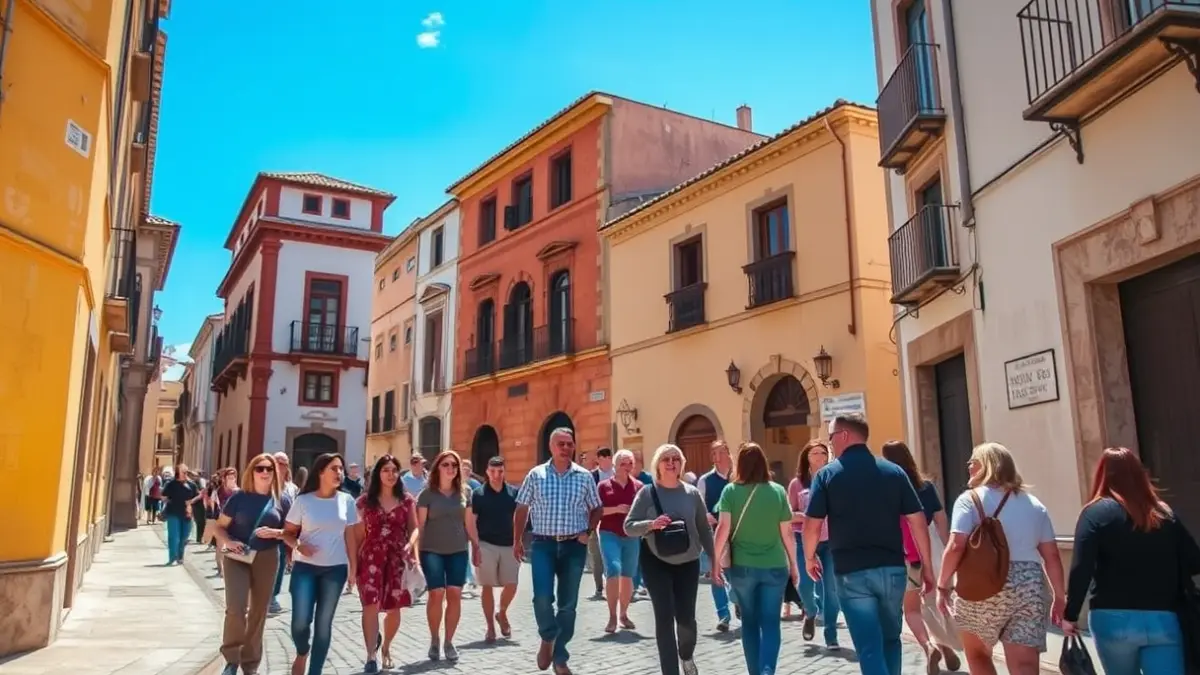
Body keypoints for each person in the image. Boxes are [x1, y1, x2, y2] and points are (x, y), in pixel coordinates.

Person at [804, 413, 933, 675]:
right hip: (892, 570)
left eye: (830, 439)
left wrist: (808, 557)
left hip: (852, 572)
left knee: (869, 646)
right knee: (890, 639)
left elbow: (812, 524)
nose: (830, 446)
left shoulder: (827, 475)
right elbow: (917, 519)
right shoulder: (893, 471)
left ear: (843, 435)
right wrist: (928, 566)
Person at [1064, 446, 1200, 674]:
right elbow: (1195, 560)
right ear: (1140, 475)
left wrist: (1071, 615)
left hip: (1112, 619)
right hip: (1163, 617)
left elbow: (1082, 568)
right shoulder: (1162, 513)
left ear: (1102, 476)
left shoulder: (1094, 513)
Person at [936, 442, 1064, 675]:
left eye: (972, 462)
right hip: (1028, 585)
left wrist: (942, 584)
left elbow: (956, 546)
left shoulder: (969, 500)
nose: (969, 467)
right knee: (1025, 664)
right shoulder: (1034, 505)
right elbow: (1052, 555)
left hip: (982, 583)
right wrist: (1059, 595)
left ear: (984, 466)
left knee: (979, 654)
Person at [513, 427, 602, 675]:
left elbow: (597, 508)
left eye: (569, 444)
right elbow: (521, 509)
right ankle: (548, 636)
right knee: (542, 597)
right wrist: (517, 540)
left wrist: (589, 531)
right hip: (543, 545)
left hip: (574, 546)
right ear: (551, 447)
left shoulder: (584, 477)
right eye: (561, 444)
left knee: (568, 605)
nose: (565, 448)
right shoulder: (536, 475)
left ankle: (560, 657)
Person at [625, 444, 714, 675]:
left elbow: (704, 530)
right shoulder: (646, 493)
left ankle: (686, 655)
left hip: (688, 562)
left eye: (676, 458)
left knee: (686, 620)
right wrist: (651, 525)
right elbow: (629, 526)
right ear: (658, 464)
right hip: (656, 561)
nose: (671, 462)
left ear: (681, 463)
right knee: (664, 619)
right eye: (666, 459)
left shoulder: (692, 493)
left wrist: (715, 561)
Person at [714, 442, 796, 675]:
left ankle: (754, 672)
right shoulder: (778, 491)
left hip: (742, 568)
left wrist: (714, 562)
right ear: (763, 463)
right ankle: (768, 669)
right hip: (774, 566)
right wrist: (795, 565)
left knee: (749, 622)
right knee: (770, 622)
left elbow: (723, 529)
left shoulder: (730, 491)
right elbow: (787, 533)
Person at [880, 440, 961, 672]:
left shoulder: (887, 486)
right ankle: (945, 647)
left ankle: (929, 647)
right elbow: (941, 518)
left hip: (903, 550)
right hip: (932, 546)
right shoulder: (925, 485)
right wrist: (947, 547)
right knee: (936, 602)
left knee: (913, 608)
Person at [212, 454, 291, 675]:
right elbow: (218, 528)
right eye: (260, 468)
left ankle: (251, 664)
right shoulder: (239, 498)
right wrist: (229, 541)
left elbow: (292, 532)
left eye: (269, 469)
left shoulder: (282, 500)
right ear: (251, 471)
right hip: (237, 555)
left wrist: (277, 533)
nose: (265, 472)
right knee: (236, 608)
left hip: (267, 557)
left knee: (259, 611)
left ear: (276, 473)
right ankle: (231, 658)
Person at [283, 453, 359, 675]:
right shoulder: (303, 501)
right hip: (304, 568)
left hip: (335, 570)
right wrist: (298, 545)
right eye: (334, 468)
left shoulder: (347, 501)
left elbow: (351, 537)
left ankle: (315, 671)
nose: (339, 473)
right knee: (300, 622)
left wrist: (353, 568)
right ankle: (302, 650)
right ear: (321, 472)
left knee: (323, 625)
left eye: (341, 469)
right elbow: (287, 533)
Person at [353, 455, 418, 673]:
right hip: (371, 558)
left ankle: (386, 647)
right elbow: (356, 535)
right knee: (370, 605)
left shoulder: (407, 500)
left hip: (397, 558)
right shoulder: (363, 502)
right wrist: (352, 566)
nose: (390, 474)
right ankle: (371, 655)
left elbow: (415, 528)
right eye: (385, 470)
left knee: (394, 608)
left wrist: (411, 544)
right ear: (377, 474)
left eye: (394, 470)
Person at [417, 449, 476, 662]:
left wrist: (476, 547)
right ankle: (434, 639)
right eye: (446, 464)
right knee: (436, 594)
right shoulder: (426, 495)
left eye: (454, 465)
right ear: (437, 468)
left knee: (454, 595)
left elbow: (469, 523)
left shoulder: (466, 492)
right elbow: (419, 527)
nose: (450, 468)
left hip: (458, 550)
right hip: (431, 550)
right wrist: (415, 555)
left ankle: (449, 641)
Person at [788, 440, 841, 648]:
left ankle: (831, 634)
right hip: (804, 540)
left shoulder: (834, 479)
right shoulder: (797, 484)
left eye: (823, 453)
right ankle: (810, 612)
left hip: (831, 542)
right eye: (815, 453)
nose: (820, 457)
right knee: (804, 585)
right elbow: (788, 514)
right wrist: (805, 516)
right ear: (806, 457)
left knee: (831, 589)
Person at [470, 456, 520, 642]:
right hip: (486, 544)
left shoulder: (514, 493)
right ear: (487, 472)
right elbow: (472, 522)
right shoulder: (478, 494)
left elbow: (519, 520)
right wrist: (475, 546)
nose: (496, 475)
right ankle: (490, 626)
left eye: (500, 471)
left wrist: (519, 541)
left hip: (509, 544)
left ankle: (502, 612)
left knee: (512, 584)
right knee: (487, 586)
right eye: (493, 471)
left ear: (504, 471)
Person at [595, 449, 642, 633]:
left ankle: (623, 614)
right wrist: (616, 509)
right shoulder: (603, 486)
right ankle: (612, 616)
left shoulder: (639, 486)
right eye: (623, 463)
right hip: (609, 533)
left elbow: (644, 511)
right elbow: (596, 511)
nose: (627, 467)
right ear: (615, 466)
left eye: (630, 463)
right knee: (614, 569)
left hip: (631, 535)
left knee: (628, 575)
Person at [697, 440, 736, 631]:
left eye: (722, 452)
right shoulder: (705, 481)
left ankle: (737, 601)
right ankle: (723, 615)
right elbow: (699, 507)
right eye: (715, 453)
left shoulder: (738, 478)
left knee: (736, 573)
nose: (719, 457)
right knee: (717, 573)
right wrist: (707, 517)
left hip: (738, 533)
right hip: (716, 534)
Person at [270, 452, 300, 614]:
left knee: (280, 565)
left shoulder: (291, 488)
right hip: (268, 530)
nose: (280, 467)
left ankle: (272, 597)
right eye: (278, 463)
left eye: (284, 464)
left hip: (284, 532)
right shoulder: (265, 481)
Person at [588, 447, 615, 599]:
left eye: (608, 457)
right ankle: (599, 588)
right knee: (596, 556)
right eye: (602, 458)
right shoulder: (591, 476)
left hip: (613, 520)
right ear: (598, 459)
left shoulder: (617, 474)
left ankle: (614, 586)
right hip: (594, 521)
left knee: (612, 555)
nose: (605, 460)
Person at [162, 463, 202, 565]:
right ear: (178, 472)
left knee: (184, 537)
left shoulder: (191, 484)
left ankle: (180, 556)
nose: (185, 473)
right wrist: (167, 500)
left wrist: (191, 501)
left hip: (187, 514)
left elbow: (198, 496)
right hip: (173, 512)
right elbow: (163, 496)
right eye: (183, 471)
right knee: (174, 536)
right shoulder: (171, 484)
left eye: (186, 471)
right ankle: (172, 557)